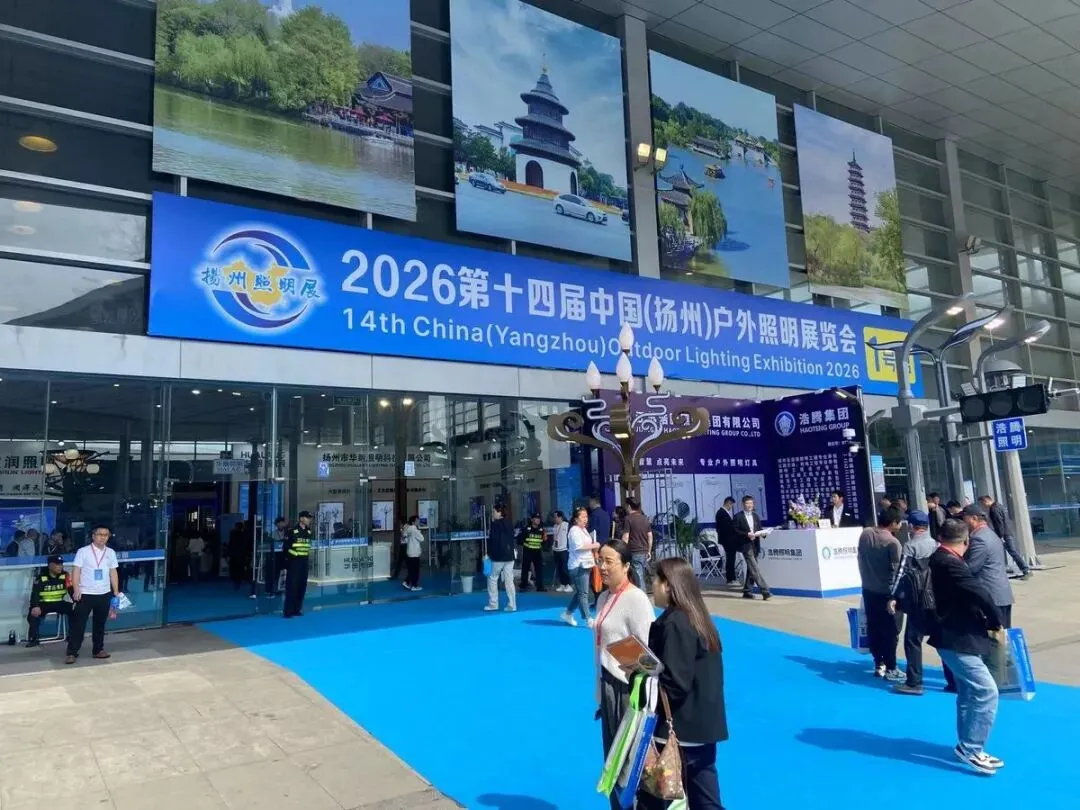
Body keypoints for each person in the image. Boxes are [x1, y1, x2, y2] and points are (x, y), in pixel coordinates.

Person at [637, 557, 727, 810]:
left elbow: (675, 682)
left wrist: (640, 675)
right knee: (705, 799)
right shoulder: (699, 618)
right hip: (702, 729)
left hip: (677, 730)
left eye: (655, 580)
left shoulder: (676, 623)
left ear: (668, 585)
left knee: (652, 798)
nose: (652, 586)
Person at [927, 518, 1006, 775]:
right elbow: (979, 592)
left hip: (954, 635)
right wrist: (996, 621)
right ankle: (972, 747)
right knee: (986, 691)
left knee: (968, 692)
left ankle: (966, 743)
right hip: (957, 637)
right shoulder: (950, 563)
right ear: (966, 541)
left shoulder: (939, 558)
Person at [594, 540, 654, 810]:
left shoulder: (636, 600)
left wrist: (624, 661)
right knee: (612, 761)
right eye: (601, 561)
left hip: (628, 690)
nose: (603, 567)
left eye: (609, 562)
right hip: (608, 686)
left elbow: (648, 654)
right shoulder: (603, 598)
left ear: (627, 566)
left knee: (627, 766)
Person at [887, 511, 937, 695]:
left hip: (917, 600)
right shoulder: (936, 545)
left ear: (911, 526)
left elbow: (901, 573)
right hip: (935, 599)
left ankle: (914, 682)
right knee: (942, 641)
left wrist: (893, 596)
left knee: (912, 641)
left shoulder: (909, 546)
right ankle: (953, 681)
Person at [857, 506, 903, 680]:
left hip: (868, 589)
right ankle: (891, 667)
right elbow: (898, 571)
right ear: (893, 523)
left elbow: (860, 558)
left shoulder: (866, 534)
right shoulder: (893, 543)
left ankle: (878, 663)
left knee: (874, 627)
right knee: (891, 630)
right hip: (887, 593)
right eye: (899, 522)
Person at [65, 525, 120, 664]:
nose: (103, 537)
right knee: (79, 624)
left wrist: (116, 591)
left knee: (100, 624)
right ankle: (72, 652)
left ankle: (98, 650)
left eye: (106, 535)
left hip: (104, 593)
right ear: (93, 536)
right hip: (85, 593)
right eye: (100, 534)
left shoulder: (111, 552)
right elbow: (76, 571)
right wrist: (76, 589)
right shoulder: (83, 551)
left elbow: (113, 572)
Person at [961, 505, 1015, 628]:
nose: (963, 523)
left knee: (994, 635)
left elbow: (971, 568)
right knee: (1002, 633)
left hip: (991, 596)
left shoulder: (979, 539)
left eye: (964, 518)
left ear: (974, 518)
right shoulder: (990, 534)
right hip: (1001, 594)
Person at [561, 506, 601, 627]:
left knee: (581, 592)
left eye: (586, 517)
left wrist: (594, 550)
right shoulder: (574, 530)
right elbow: (578, 547)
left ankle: (568, 613)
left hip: (586, 564)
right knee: (583, 593)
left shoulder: (583, 530)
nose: (585, 519)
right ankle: (588, 619)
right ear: (576, 519)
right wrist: (594, 545)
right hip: (578, 566)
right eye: (583, 517)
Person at [978, 495, 1031, 579]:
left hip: (1005, 534)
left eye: (982, 503)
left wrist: (1000, 536)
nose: (982, 506)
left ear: (986, 501)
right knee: (1013, 552)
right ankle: (1025, 569)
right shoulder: (999, 506)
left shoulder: (994, 509)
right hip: (1008, 532)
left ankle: (1026, 570)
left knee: (1013, 552)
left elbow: (999, 523)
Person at [26, 555, 73, 647]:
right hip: (44, 604)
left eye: (61, 564)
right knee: (33, 613)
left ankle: (72, 636)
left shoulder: (65, 575)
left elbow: (71, 590)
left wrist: (76, 602)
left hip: (59, 603)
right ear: (50, 565)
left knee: (76, 610)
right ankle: (33, 639)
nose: (60, 567)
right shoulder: (41, 577)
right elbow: (35, 594)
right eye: (58, 565)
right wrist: (35, 606)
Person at [732, 495, 770, 600]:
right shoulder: (738, 516)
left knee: (751, 569)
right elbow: (735, 531)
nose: (750, 505)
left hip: (755, 545)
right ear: (743, 504)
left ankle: (747, 591)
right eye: (747, 503)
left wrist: (764, 533)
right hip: (745, 545)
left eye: (751, 503)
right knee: (754, 568)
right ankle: (765, 591)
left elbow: (759, 528)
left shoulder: (755, 516)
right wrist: (746, 534)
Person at [485, 504, 516, 612]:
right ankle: (512, 605)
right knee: (509, 580)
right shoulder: (510, 523)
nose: (493, 514)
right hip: (509, 555)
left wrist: (489, 554)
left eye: (494, 512)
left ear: (500, 512)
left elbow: (493, 540)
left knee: (493, 578)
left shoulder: (495, 524)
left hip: (498, 556)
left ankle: (493, 604)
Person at [282, 511, 313, 618]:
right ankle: (288, 611)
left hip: (304, 562)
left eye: (310, 518)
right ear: (301, 519)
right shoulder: (292, 531)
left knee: (302, 586)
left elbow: (307, 547)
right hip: (294, 562)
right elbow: (286, 548)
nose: (309, 520)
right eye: (307, 518)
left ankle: (297, 609)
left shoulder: (309, 531)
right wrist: (293, 557)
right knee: (292, 586)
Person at [622, 497, 653, 592]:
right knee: (640, 575)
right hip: (644, 551)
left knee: (638, 577)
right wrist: (649, 551)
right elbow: (650, 536)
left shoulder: (628, 519)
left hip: (634, 551)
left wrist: (622, 550)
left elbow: (626, 537)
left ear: (629, 506)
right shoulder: (644, 518)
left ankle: (642, 597)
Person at [519, 513, 546, 592]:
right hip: (528, 551)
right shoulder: (526, 529)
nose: (538, 520)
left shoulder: (541, 530)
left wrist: (545, 540)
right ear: (532, 520)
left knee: (539, 569)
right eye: (536, 518)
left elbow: (543, 541)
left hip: (537, 552)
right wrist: (526, 544)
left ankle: (540, 586)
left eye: (539, 518)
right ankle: (523, 586)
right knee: (525, 569)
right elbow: (519, 540)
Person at [714, 497, 737, 585]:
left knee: (731, 558)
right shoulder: (721, 513)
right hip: (727, 539)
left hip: (728, 539)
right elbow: (727, 527)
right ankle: (730, 579)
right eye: (731, 505)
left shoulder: (723, 513)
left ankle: (732, 578)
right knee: (730, 558)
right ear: (728, 503)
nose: (731, 507)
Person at [402, 515, 424, 591]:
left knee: (412, 569)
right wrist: (419, 532)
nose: (419, 521)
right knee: (415, 570)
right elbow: (422, 539)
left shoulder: (408, 529)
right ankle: (414, 585)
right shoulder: (414, 529)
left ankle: (407, 582)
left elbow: (404, 536)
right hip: (414, 552)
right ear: (413, 522)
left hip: (410, 551)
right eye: (417, 520)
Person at [551, 511, 571, 593]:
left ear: (561, 517)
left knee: (564, 568)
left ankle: (568, 585)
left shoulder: (567, 525)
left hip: (564, 550)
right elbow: (554, 537)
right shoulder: (554, 526)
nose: (554, 519)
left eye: (555, 517)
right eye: (554, 517)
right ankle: (562, 584)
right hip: (556, 549)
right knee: (559, 568)